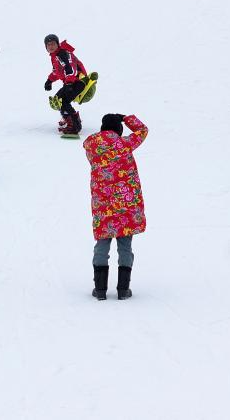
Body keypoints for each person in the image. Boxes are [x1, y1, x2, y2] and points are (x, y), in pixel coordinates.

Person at [83, 113, 148, 300]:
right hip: (126, 203)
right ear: (118, 130)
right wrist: (127, 118)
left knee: (102, 243)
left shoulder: (91, 145)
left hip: (103, 204)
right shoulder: (124, 144)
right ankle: (122, 289)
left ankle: (101, 289)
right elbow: (143, 131)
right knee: (125, 246)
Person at [43, 33, 89, 136]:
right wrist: (49, 80)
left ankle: (75, 126)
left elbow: (70, 69)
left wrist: (68, 83)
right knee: (57, 100)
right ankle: (68, 118)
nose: (51, 46)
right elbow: (57, 71)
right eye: (48, 45)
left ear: (58, 44)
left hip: (78, 81)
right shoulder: (55, 56)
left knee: (63, 101)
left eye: (53, 44)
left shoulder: (63, 54)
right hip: (71, 82)